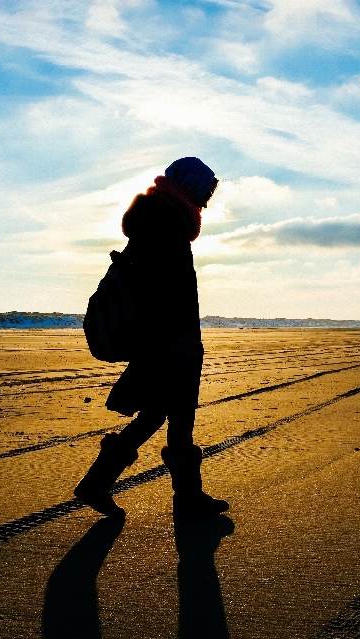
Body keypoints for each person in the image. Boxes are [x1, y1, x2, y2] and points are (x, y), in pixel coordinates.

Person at [74, 157, 229, 518]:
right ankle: (187, 499)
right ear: (190, 187)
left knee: (157, 416)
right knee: (177, 420)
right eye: (205, 191)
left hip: (164, 342)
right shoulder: (167, 225)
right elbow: (167, 297)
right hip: (170, 344)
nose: (206, 201)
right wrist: (183, 344)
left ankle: (97, 483)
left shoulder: (156, 220)